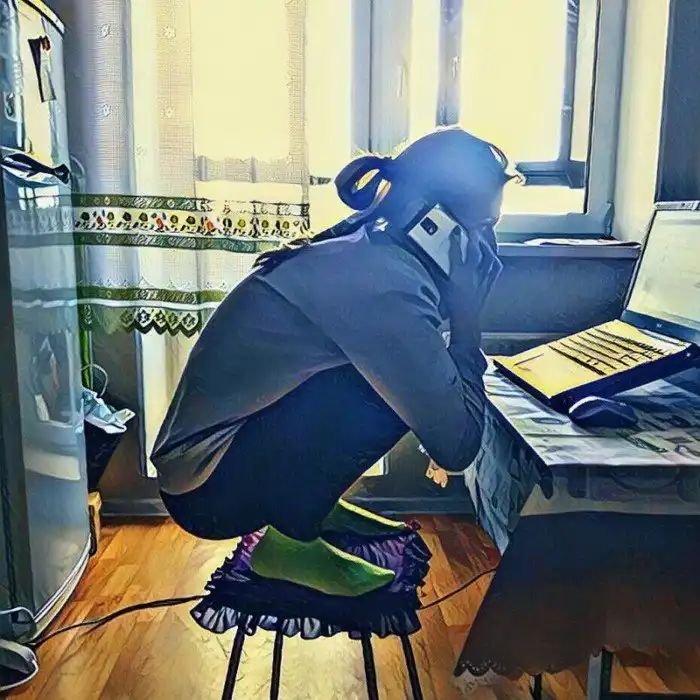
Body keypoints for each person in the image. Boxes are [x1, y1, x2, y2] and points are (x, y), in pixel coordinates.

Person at [152, 126, 515, 598]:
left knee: (404, 368)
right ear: (435, 224)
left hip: (217, 462)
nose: (488, 248)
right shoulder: (385, 282)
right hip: (208, 494)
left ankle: (311, 504)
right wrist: (468, 320)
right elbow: (458, 445)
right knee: (404, 382)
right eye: (482, 228)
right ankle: (290, 540)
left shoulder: (374, 250)